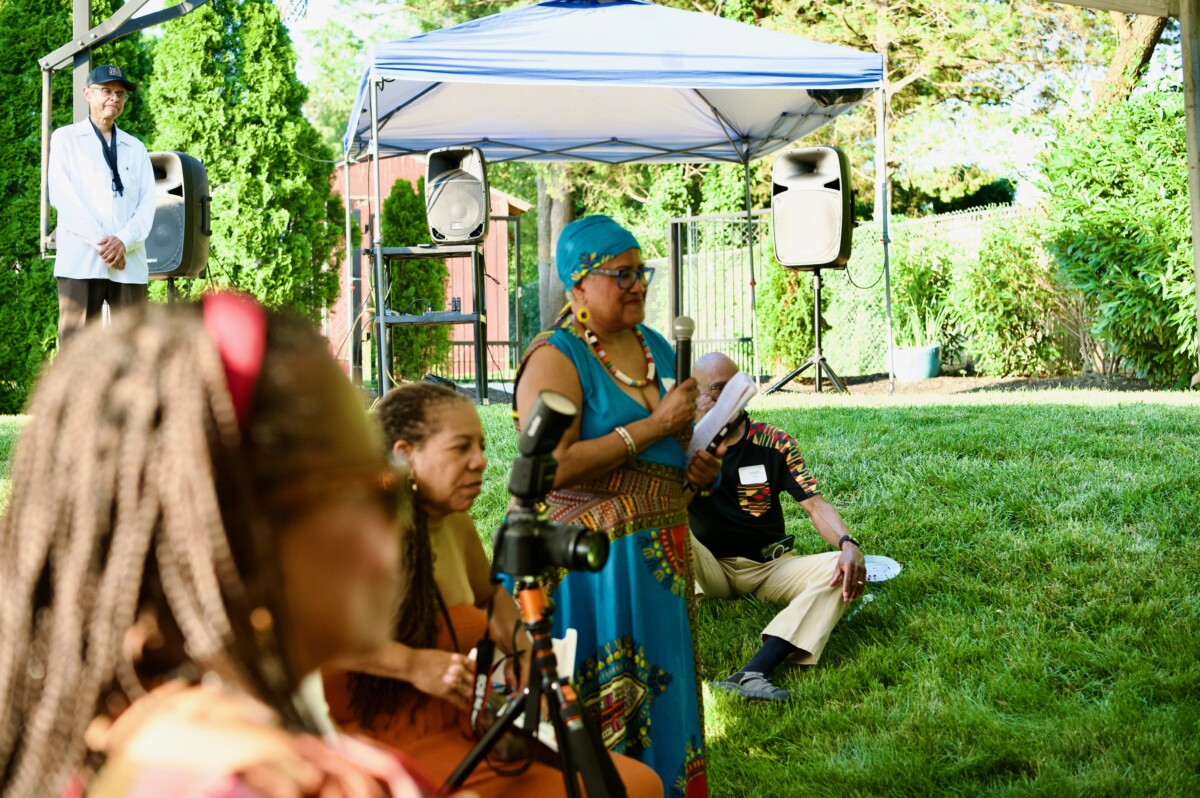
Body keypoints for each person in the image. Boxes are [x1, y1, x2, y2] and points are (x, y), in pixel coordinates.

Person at [0, 295, 463, 797]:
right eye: (382, 489)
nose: (399, 525)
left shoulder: (97, 746)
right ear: (248, 532)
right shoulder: (287, 785)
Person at [323, 382, 662, 797]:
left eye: (481, 446)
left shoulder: (455, 523)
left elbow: (490, 597)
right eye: (461, 447)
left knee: (639, 785)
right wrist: (411, 664)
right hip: (379, 741)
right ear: (405, 454)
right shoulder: (354, 531)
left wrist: (523, 653)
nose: (480, 461)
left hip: (464, 727)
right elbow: (308, 635)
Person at [513, 215, 721, 797]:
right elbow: (546, 467)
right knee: (598, 714)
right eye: (621, 274)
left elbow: (669, 453)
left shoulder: (657, 347)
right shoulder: (556, 355)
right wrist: (652, 427)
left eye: (640, 271)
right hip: (591, 572)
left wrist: (697, 470)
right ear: (578, 285)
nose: (638, 285)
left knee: (665, 697)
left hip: (658, 566)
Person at [688, 352, 867, 702]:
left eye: (734, 387)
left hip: (769, 567)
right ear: (694, 395)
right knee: (664, 532)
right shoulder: (680, 446)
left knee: (841, 570)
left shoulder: (773, 441)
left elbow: (815, 504)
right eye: (716, 389)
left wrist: (848, 544)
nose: (728, 396)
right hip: (709, 568)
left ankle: (753, 672)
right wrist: (695, 438)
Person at [48, 64, 156, 346]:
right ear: (87, 93)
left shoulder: (136, 148)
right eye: (106, 90)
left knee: (134, 349)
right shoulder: (65, 139)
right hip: (80, 264)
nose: (114, 98)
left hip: (129, 264)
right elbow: (63, 198)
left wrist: (123, 241)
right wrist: (105, 245)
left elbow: (147, 205)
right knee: (77, 351)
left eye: (120, 94)